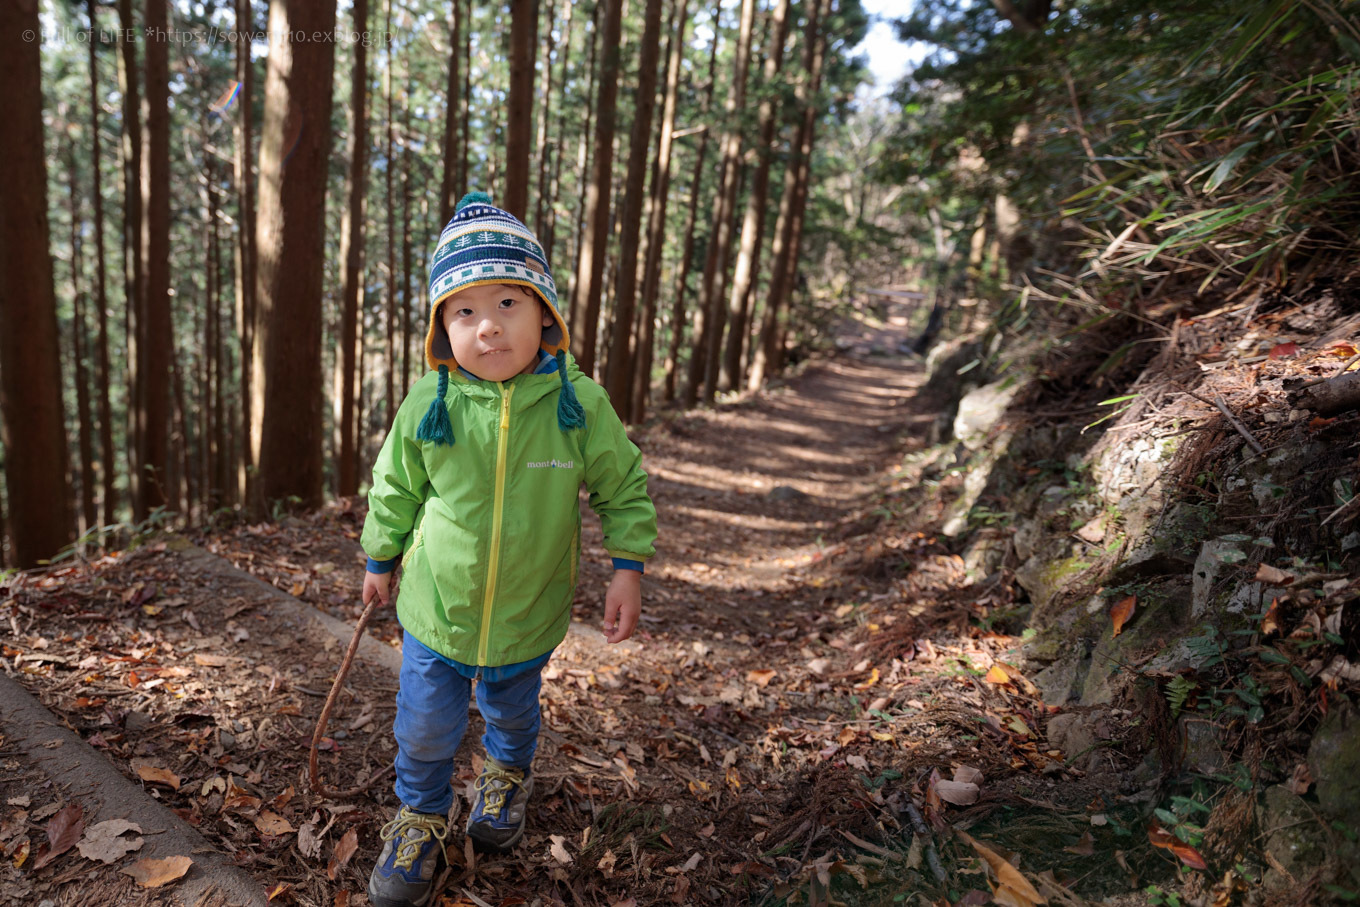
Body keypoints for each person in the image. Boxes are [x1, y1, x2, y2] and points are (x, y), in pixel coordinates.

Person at [360, 192, 657, 907]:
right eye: (464, 310)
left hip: (528, 612)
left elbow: (623, 486)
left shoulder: (576, 404)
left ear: (545, 313)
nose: (487, 324)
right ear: (442, 327)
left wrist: (628, 567)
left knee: (513, 712)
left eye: (507, 303)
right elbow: (394, 485)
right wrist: (380, 557)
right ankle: (422, 817)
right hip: (438, 611)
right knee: (426, 725)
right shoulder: (428, 403)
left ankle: (506, 775)